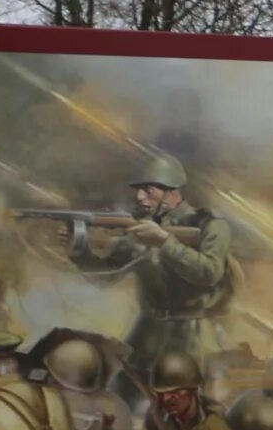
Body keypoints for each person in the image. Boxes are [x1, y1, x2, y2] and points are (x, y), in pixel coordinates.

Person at [73, 153, 236, 368]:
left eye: (149, 190)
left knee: (182, 394)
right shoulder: (139, 225)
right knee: (122, 393)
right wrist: (78, 247)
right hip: (146, 331)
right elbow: (105, 276)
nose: (140, 197)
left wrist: (164, 240)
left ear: (172, 191)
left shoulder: (210, 225)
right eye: (138, 190)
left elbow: (209, 273)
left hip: (190, 334)